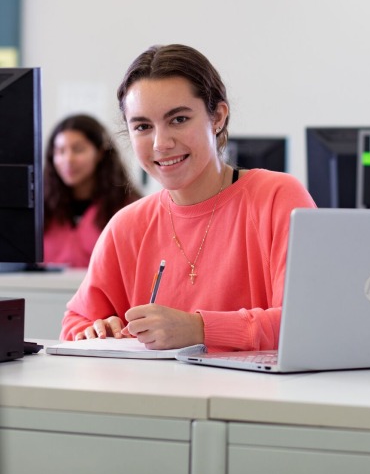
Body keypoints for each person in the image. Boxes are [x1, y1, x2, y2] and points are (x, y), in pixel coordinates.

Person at [60, 44, 317, 351]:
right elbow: (75, 322)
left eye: (179, 119)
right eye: (142, 126)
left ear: (217, 117)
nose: (161, 143)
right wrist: (96, 330)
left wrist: (199, 328)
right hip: (156, 396)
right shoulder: (126, 225)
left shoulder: (277, 198)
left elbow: (307, 323)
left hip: (256, 397)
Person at [43, 114, 141, 268]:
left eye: (78, 149)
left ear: (100, 153)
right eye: (60, 151)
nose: (68, 159)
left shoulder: (127, 208)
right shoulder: (42, 208)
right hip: (42, 291)